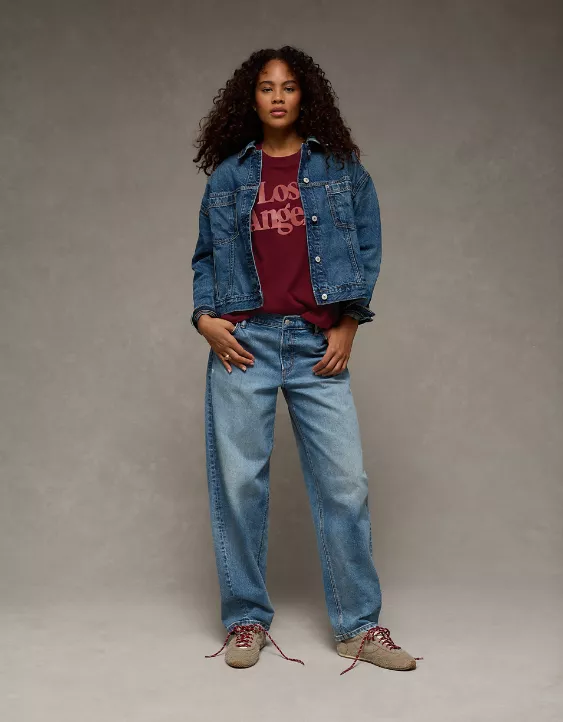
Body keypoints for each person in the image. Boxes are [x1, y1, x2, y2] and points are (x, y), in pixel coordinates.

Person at [190, 45, 422, 675]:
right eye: (266, 87)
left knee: (345, 484)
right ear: (251, 98)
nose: (277, 96)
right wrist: (205, 319)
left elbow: (368, 250)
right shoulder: (229, 178)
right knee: (240, 484)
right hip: (245, 344)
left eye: (289, 86)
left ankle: (359, 628)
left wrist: (349, 324)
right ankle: (245, 618)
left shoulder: (341, 171)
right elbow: (205, 258)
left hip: (318, 344)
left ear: (305, 96)